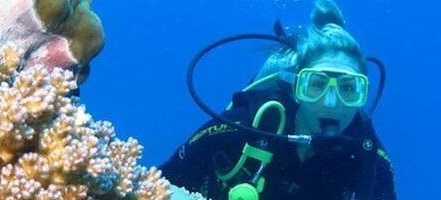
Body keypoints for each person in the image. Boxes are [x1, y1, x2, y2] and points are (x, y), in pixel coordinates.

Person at [160, 1, 396, 199]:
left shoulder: (370, 159)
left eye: (347, 88)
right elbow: (161, 182)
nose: (331, 102)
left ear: (362, 95)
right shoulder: (247, 124)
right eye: (316, 84)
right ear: (296, 88)